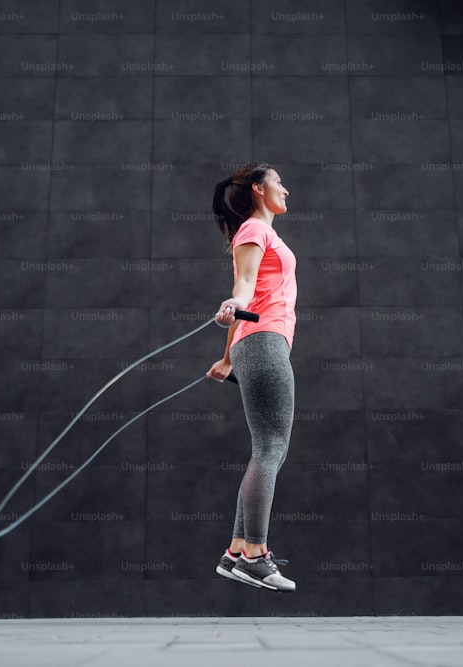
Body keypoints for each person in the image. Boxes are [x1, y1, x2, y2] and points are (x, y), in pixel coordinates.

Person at [206, 162, 297, 592]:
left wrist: (226, 359)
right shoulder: (255, 231)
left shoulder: (260, 232)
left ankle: (237, 549)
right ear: (260, 189)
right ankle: (254, 556)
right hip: (264, 342)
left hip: (252, 343)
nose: (287, 190)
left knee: (268, 449)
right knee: (271, 447)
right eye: (279, 183)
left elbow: (245, 297)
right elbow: (243, 286)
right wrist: (233, 302)